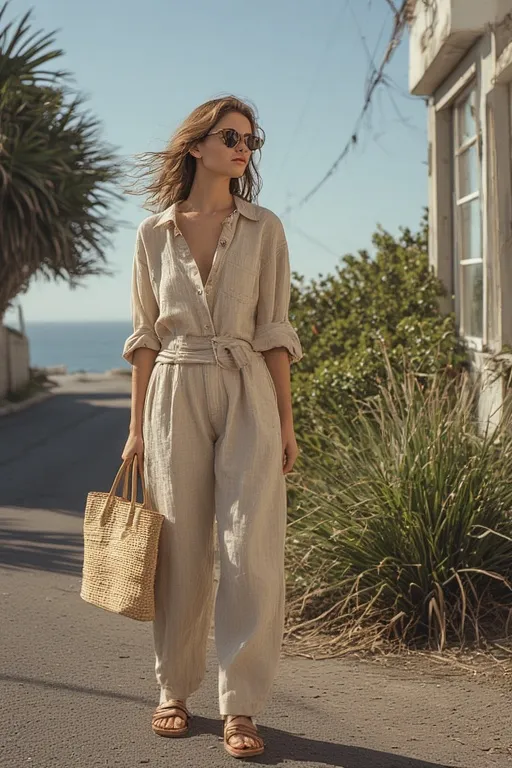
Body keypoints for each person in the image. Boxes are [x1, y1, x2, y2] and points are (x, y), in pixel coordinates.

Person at [121, 95, 303, 759]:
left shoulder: (264, 228)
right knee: (180, 545)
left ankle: (241, 705)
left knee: (249, 547)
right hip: (174, 387)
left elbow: (275, 329)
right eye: (231, 136)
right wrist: (135, 427)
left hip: (248, 385)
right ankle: (173, 690)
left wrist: (286, 420)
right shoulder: (152, 233)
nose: (243, 148)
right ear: (196, 145)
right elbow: (145, 336)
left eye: (251, 139)